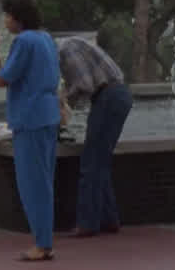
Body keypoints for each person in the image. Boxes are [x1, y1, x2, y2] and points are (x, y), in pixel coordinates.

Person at [0, 0, 65, 262]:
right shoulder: (45, 38)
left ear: (18, 18)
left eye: (8, 15)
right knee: (44, 180)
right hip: (48, 113)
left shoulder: (23, 41)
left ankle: (42, 243)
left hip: (29, 116)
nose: (6, 20)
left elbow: (2, 78)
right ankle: (45, 240)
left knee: (32, 183)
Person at [56, 32, 132, 238]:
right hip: (115, 96)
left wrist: (62, 104)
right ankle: (109, 219)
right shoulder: (70, 45)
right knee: (100, 161)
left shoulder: (65, 49)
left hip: (108, 97)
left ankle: (87, 223)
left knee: (91, 161)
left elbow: (85, 85)